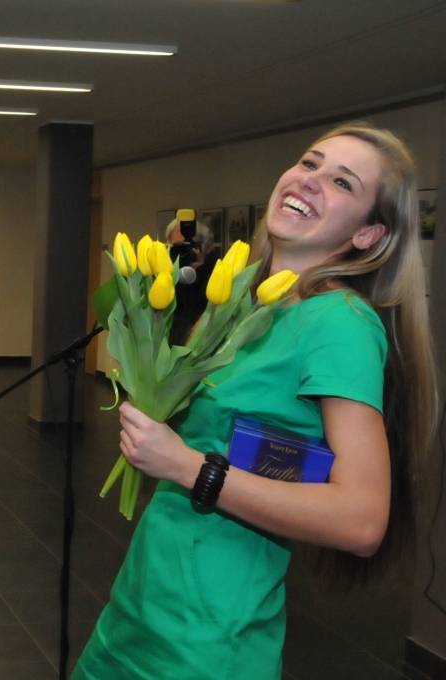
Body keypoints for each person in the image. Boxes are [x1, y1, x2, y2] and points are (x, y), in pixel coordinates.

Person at [73, 122, 437, 679]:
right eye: (310, 163)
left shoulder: (337, 321)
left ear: (368, 236)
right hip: (143, 608)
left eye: (342, 182)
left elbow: (362, 521)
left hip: (207, 640)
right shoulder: (249, 303)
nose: (310, 180)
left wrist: (189, 466)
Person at [165, 216, 220, 344]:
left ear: (204, 247)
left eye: (188, 246)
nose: (182, 253)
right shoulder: (162, 276)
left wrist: (198, 272)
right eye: (177, 247)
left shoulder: (216, 275)